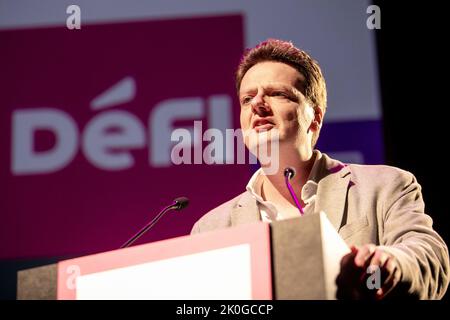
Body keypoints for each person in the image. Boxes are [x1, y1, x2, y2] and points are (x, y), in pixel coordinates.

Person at [190, 39, 449, 299]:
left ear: (314, 118)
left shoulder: (385, 186)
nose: (257, 103)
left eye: (277, 94)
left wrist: (391, 262)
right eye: (247, 98)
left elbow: (428, 256)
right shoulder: (211, 228)